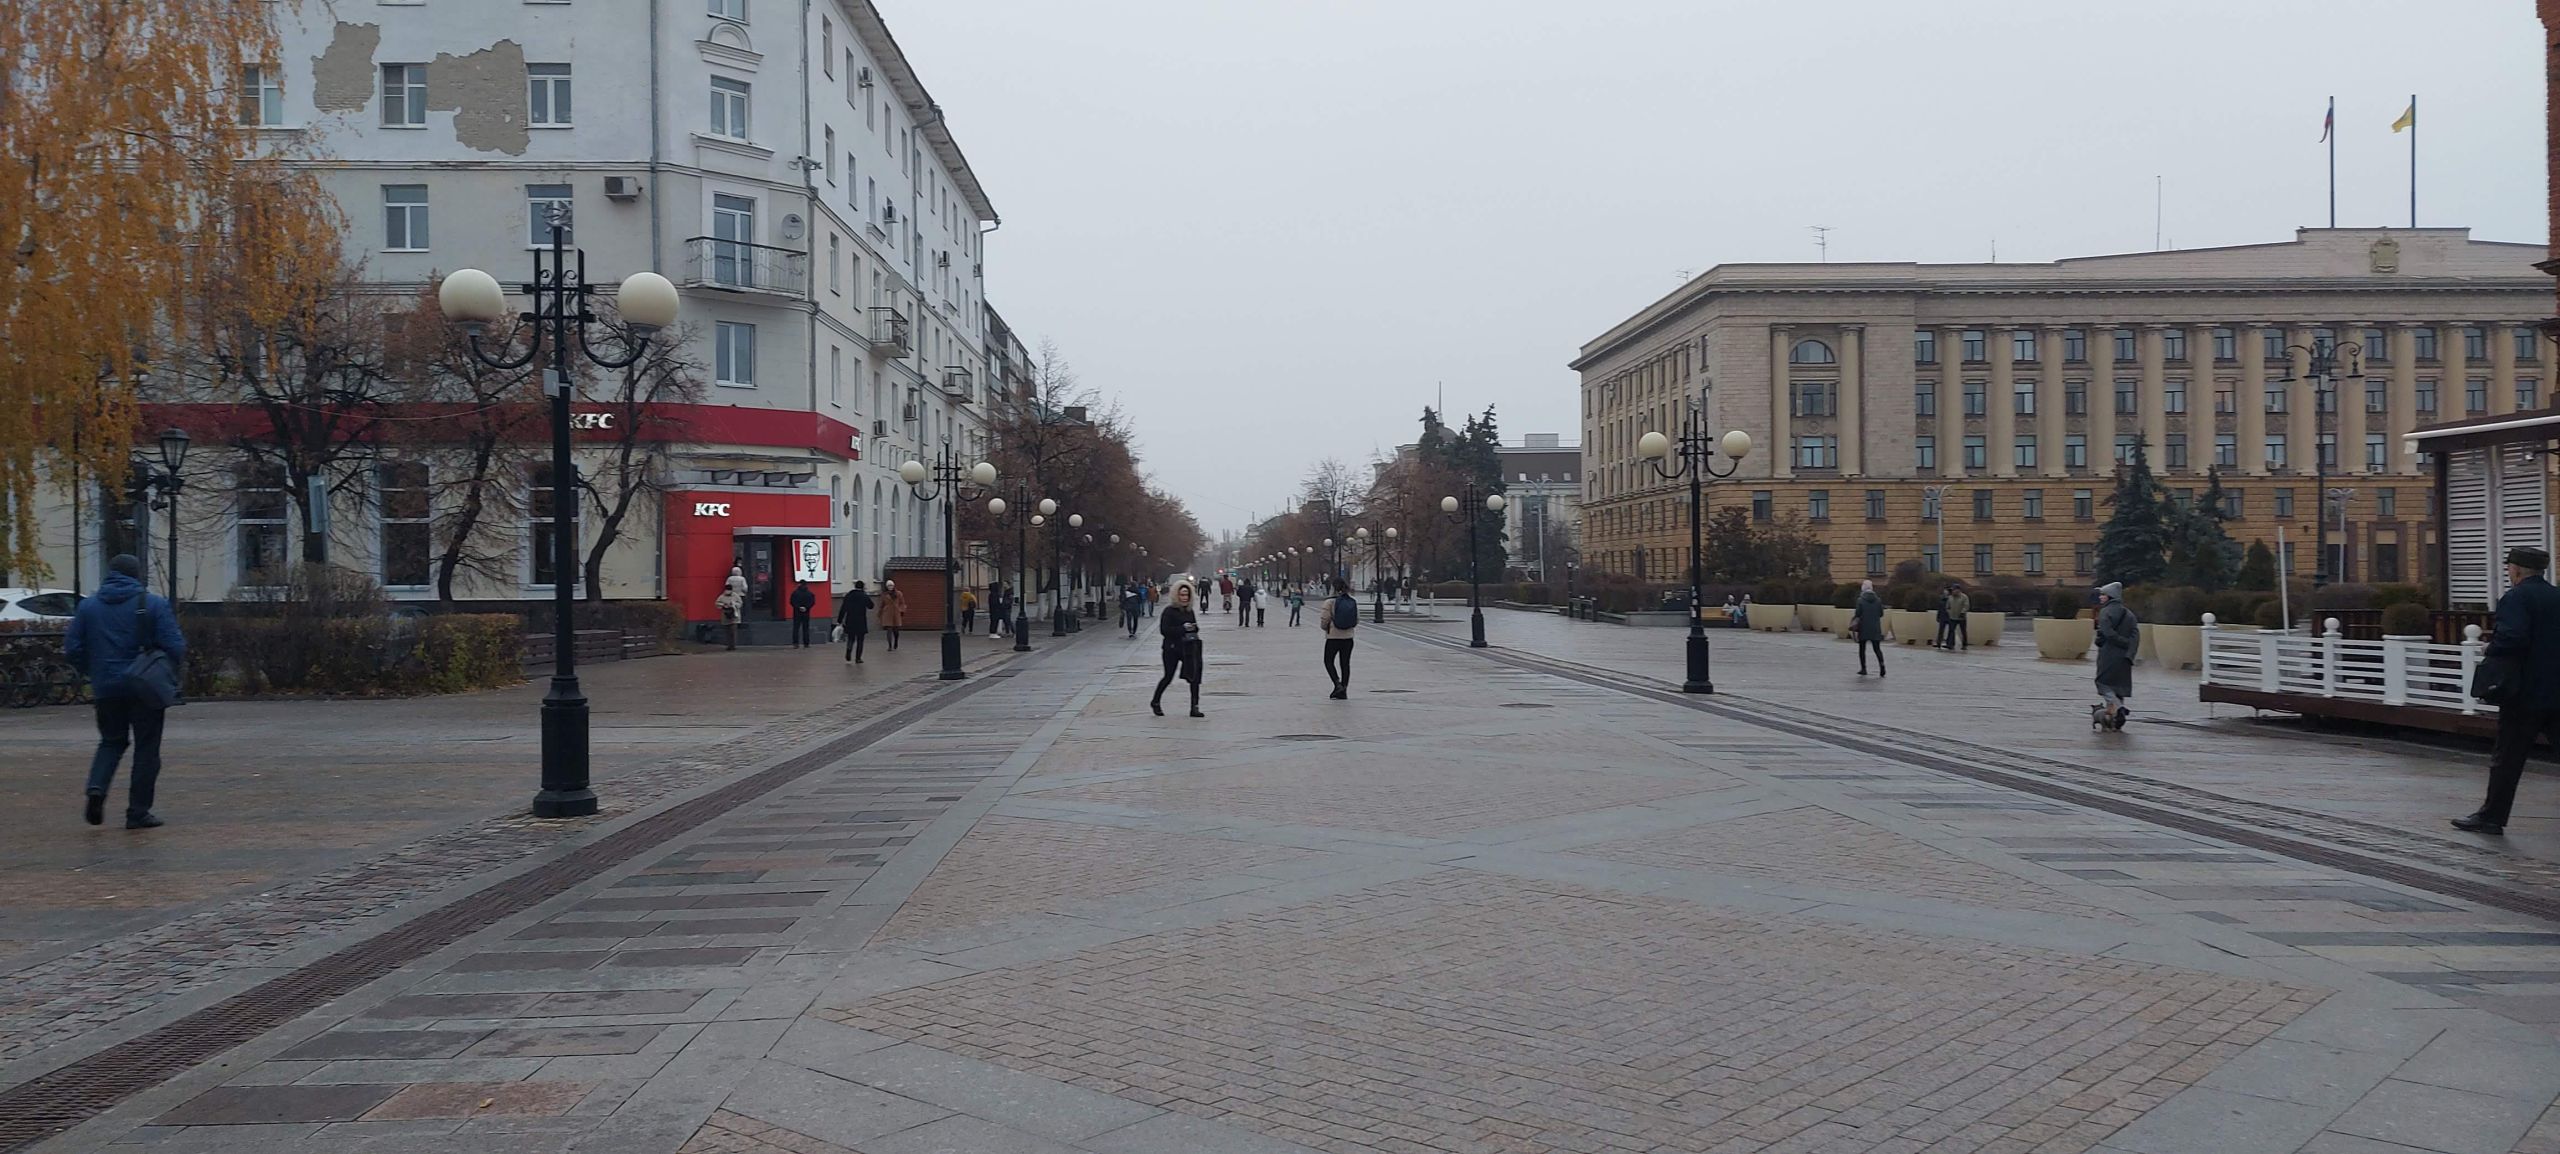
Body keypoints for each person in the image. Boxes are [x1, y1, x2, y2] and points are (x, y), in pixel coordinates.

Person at [66, 554, 184, 829]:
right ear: (137, 575)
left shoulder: (88, 607)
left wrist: (92, 670)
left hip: (106, 687)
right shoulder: (153, 604)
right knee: (147, 749)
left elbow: (72, 649)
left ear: (110, 574)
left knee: (111, 741)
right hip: (146, 688)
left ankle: (97, 789)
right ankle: (138, 812)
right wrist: (164, 670)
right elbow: (175, 646)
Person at [2458, 547, 2560, 834]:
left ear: (2515, 570)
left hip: (2524, 693)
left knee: (2508, 758)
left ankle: (2491, 817)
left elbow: (2513, 637)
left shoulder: (2516, 597)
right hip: (2557, 692)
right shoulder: (2557, 596)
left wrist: (2491, 646)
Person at [1151, 582, 1206, 718]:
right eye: (1182, 595)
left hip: (1188, 648)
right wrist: (1182, 628)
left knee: (1194, 676)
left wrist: (1193, 627)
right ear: (1177, 595)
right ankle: (1155, 701)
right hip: (1172, 648)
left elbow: (1195, 627)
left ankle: (1195, 707)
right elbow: (1164, 630)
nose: (1184, 598)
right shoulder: (1169, 611)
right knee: (1168, 676)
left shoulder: (1189, 611)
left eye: (1187, 595)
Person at [2092, 581, 2139, 730]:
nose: (2100, 597)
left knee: (2103, 683)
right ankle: (2116, 720)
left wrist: (2121, 641)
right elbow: (2135, 635)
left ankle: (2118, 709)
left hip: (2109, 654)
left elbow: (2107, 632)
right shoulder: (2129, 614)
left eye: (2103, 595)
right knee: (2119, 687)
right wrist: (2130, 650)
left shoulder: (2105, 612)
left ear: (2110, 596)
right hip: (2125, 657)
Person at [1322, 577, 1359, 699]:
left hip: (1333, 637)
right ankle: (1344, 689)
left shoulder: (1329, 602)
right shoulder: (1352, 601)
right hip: (1348, 637)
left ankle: (1337, 684)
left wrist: (1325, 628)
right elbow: (1357, 619)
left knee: (1328, 661)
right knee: (1345, 663)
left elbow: (1325, 619)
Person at [1852, 579, 1887, 678]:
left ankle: (1863, 668)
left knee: (1862, 649)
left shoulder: (1860, 600)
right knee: (1877, 649)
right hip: (1875, 628)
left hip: (1863, 628)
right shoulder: (1878, 600)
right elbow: (1881, 614)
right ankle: (1882, 666)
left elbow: (1857, 614)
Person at [836, 580, 875, 663]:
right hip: (861, 621)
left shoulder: (849, 595)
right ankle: (858, 658)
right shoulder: (864, 596)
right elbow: (871, 606)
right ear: (862, 587)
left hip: (850, 620)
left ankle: (848, 653)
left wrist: (839, 620)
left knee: (851, 638)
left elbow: (843, 608)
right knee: (860, 640)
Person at [716, 566, 748, 650]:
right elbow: (745, 588)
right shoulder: (742, 579)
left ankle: (731, 645)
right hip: (739, 595)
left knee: (729, 631)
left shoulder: (729, 579)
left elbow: (726, 585)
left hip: (728, 613)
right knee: (732, 630)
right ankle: (732, 645)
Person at [788, 580, 817, 648]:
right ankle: (806, 643)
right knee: (806, 628)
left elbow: (792, 602)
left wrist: (798, 607)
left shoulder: (795, 593)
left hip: (797, 613)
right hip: (806, 613)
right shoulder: (809, 593)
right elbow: (812, 602)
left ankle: (796, 643)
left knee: (796, 628)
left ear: (800, 584)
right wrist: (806, 607)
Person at [878, 578, 905, 650]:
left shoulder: (899, 593)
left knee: (896, 631)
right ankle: (890, 645)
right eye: (889, 586)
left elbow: (902, 603)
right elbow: (881, 605)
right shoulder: (884, 594)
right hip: (887, 614)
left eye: (891, 585)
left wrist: (901, 610)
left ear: (894, 586)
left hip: (896, 613)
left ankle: (896, 641)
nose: (890, 587)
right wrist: (879, 613)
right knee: (889, 630)